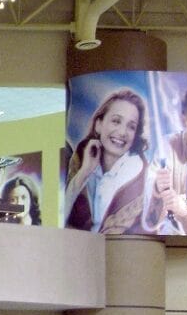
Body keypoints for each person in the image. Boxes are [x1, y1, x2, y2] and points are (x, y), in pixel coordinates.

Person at [65, 87, 151, 233]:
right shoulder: (80, 157)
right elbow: (59, 218)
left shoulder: (142, 179)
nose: (122, 132)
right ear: (98, 124)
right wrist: (84, 172)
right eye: (116, 121)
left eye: (131, 127)